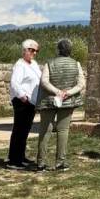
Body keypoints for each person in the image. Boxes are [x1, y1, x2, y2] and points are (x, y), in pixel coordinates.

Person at [35, 38, 87, 171]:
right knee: (63, 130)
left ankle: (41, 163)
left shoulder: (49, 63)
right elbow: (81, 84)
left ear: (58, 50)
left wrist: (58, 92)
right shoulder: (76, 64)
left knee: (45, 131)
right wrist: (67, 93)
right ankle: (60, 162)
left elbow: (44, 82)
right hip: (67, 101)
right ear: (70, 50)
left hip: (48, 101)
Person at [6, 39, 40, 170]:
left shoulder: (34, 64)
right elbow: (15, 83)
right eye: (32, 50)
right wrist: (22, 96)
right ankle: (14, 160)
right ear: (24, 50)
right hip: (23, 101)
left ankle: (20, 156)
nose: (34, 53)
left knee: (25, 130)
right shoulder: (20, 65)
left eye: (36, 51)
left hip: (31, 102)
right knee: (19, 130)